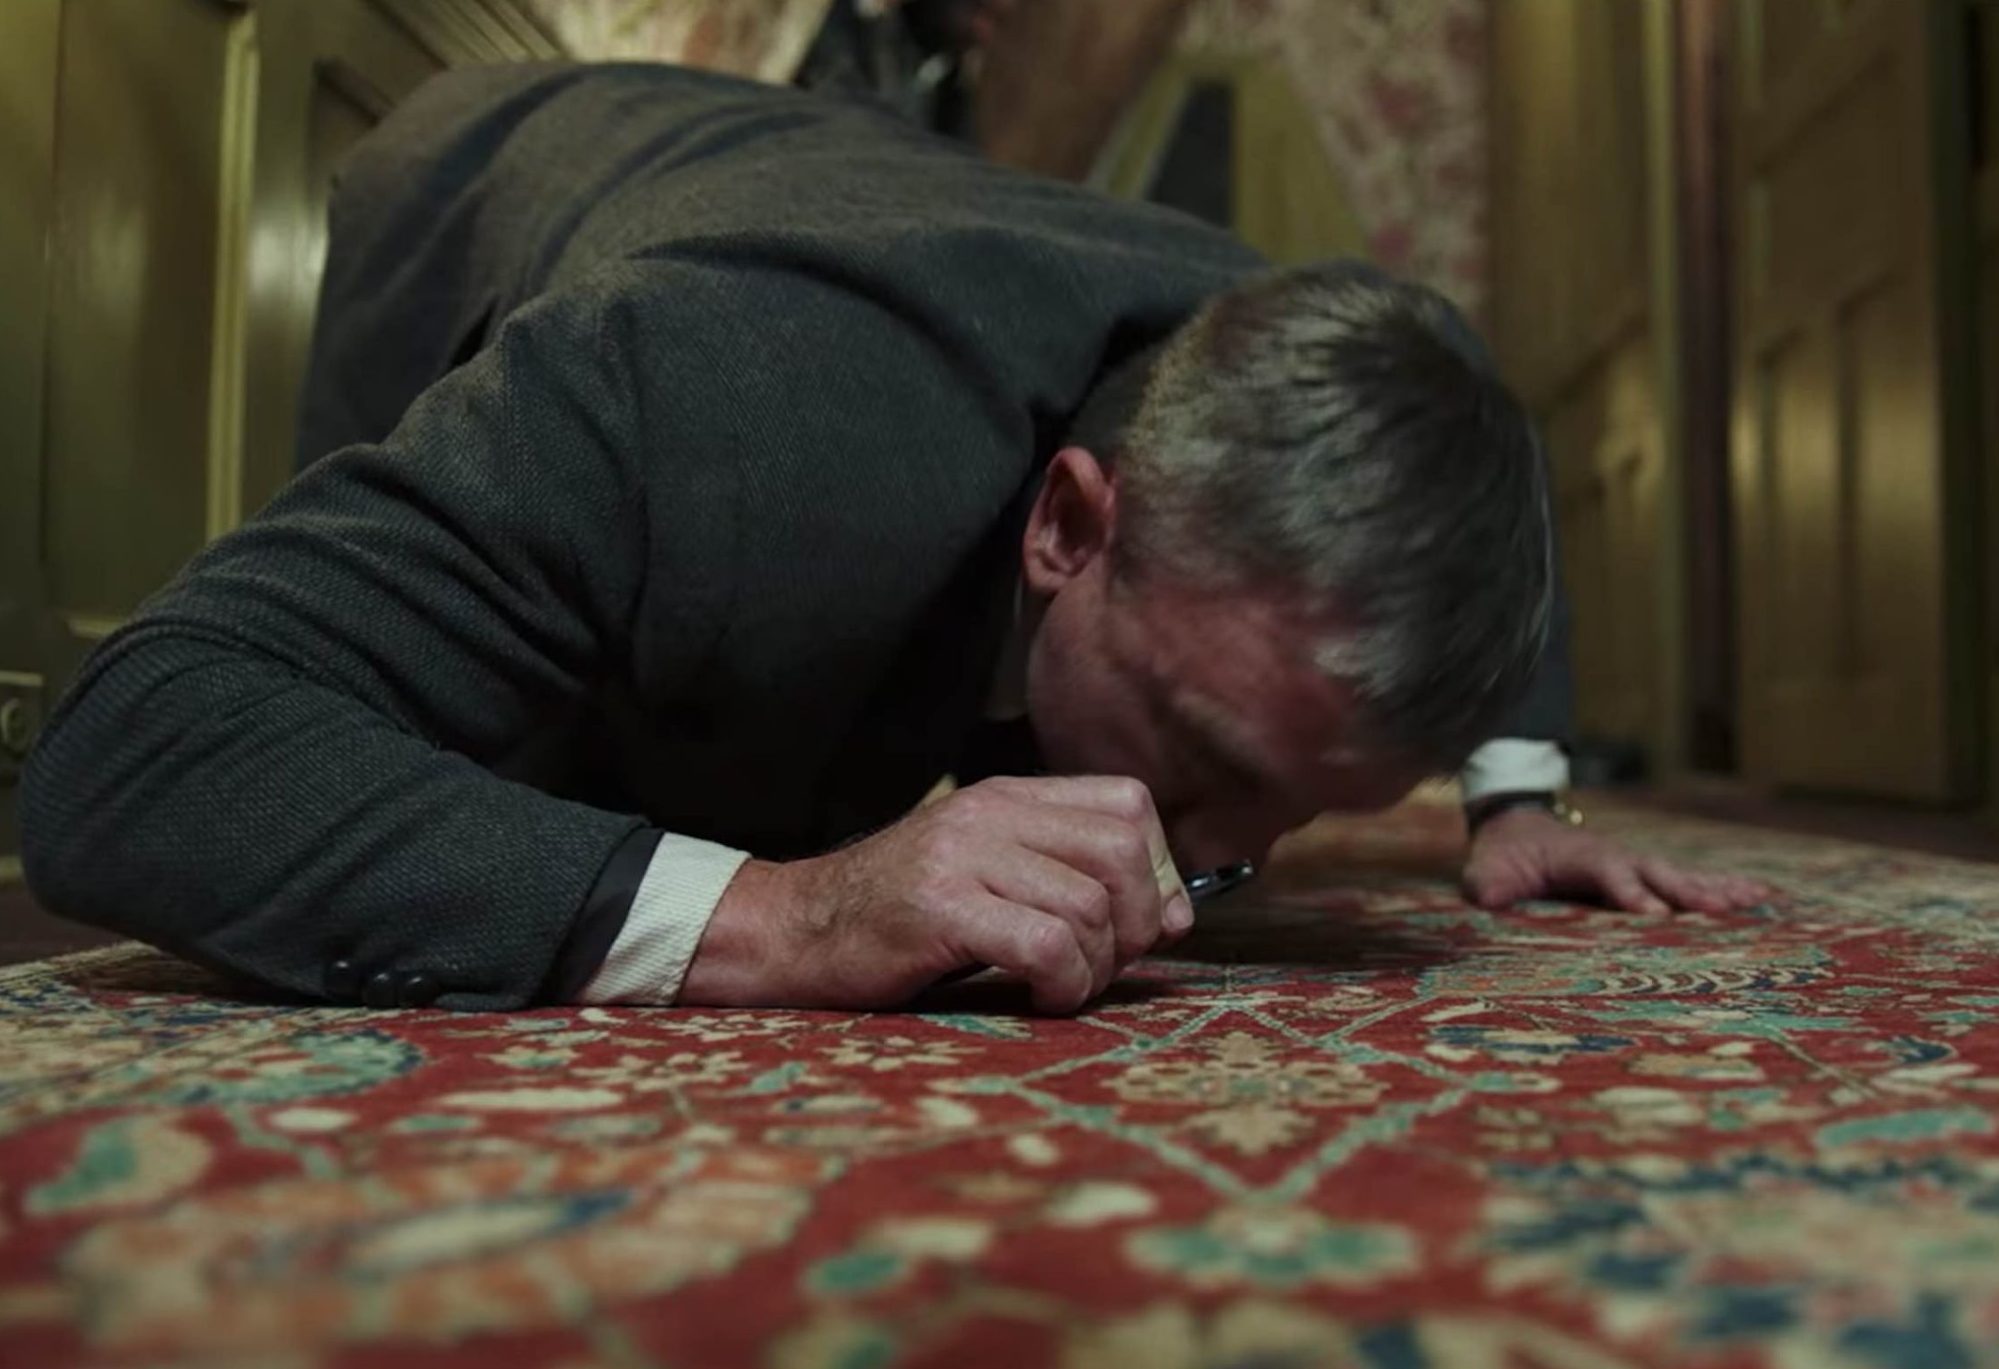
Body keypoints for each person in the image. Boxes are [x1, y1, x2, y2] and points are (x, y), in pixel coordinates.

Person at [19, 62, 1766, 1015]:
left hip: (866, 183)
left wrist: (1516, 795)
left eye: (1300, 808)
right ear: (1070, 524)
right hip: (491, 166)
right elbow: (138, 750)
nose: (1221, 871)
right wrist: (780, 913)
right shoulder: (709, 407)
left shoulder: (1340, 362)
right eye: (1212, 761)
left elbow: (1485, 466)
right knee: (471, 753)